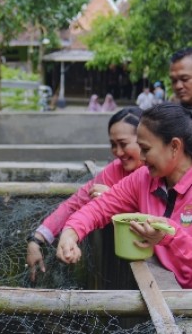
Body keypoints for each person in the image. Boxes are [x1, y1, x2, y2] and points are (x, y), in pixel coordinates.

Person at [56, 103, 192, 289]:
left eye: (146, 149)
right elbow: (100, 207)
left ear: (175, 146)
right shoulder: (143, 178)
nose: (142, 157)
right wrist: (70, 234)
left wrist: (171, 236)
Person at [26, 106, 144, 281]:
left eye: (123, 144)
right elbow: (75, 204)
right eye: (113, 145)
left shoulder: (155, 174)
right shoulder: (116, 170)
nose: (118, 152)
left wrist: (114, 199)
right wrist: (36, 240)